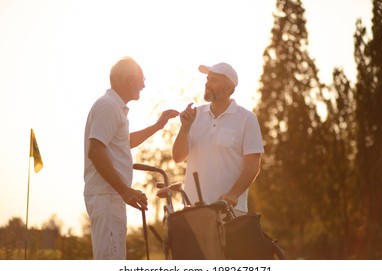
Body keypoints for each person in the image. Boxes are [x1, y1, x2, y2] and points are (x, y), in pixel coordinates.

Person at [84, 56, 178, 259]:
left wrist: (157, 125)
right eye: (142, 79)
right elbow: (96, 151)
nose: (144, 85)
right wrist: (125, 191)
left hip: (111, 195)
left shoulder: (115, 108)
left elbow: (124, 141)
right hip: (107, 195)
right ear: (131, 79)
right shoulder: (108, 106)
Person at [172, 62, 264, 213]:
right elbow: (178, 157)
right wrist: (185, 127)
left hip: (230, 210)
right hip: (193, 209)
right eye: (207, 79)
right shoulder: (195, 115)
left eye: (213, 80)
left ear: (229, 88)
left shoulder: (247, 118)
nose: (207, 84)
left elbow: (253, 165)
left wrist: (233, 194)